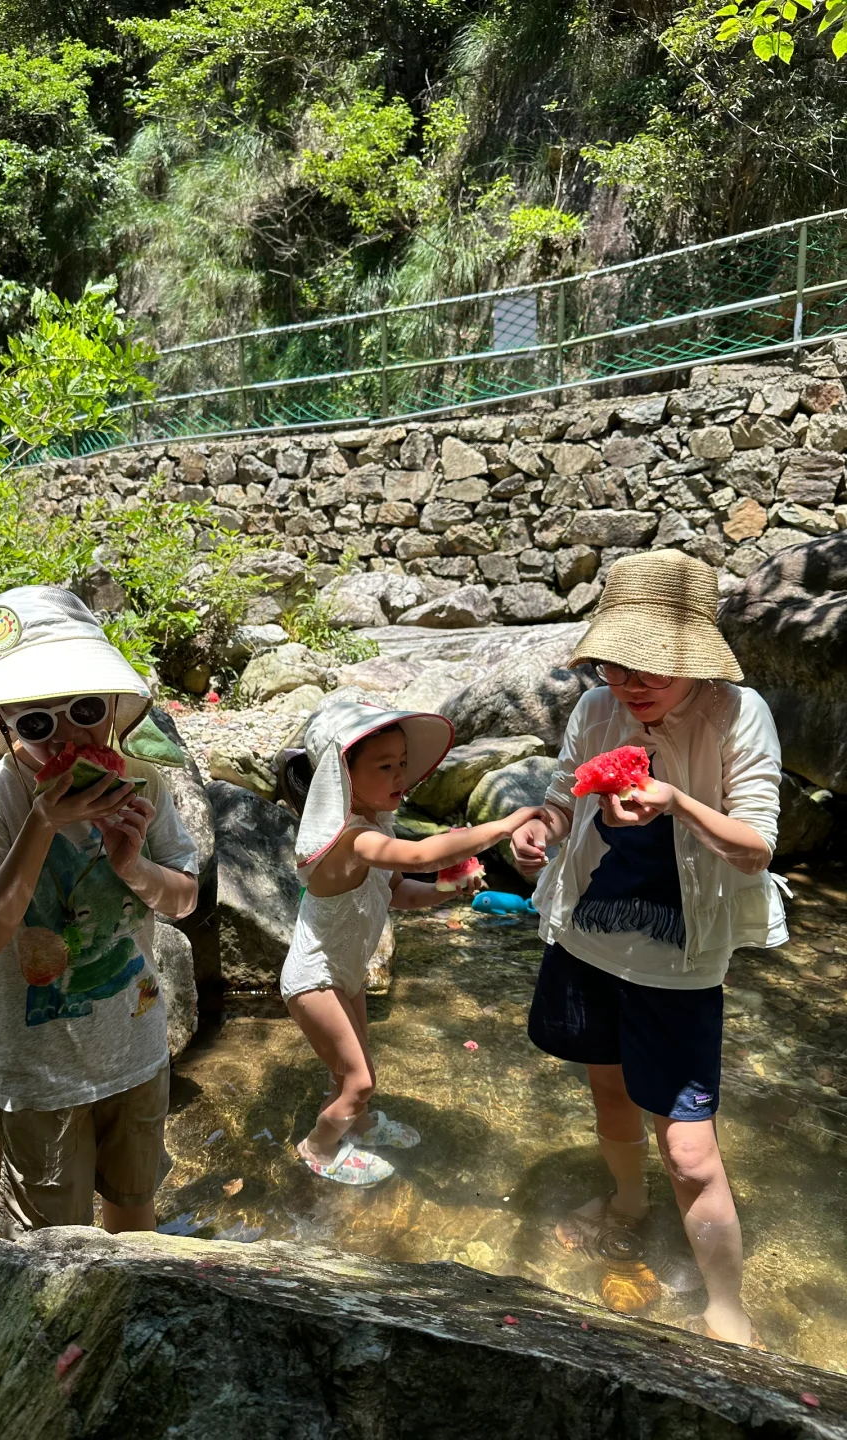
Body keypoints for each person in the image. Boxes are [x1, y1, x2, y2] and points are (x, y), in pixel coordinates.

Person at [510, 550, 787, 1348]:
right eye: (613, 663)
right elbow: (565, 797)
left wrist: (678, 803)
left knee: (691, 1152)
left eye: (649, 666)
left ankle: (728, 1305)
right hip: (588, 937)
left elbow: (757, 848)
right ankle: (627, 1203)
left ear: (694, 657)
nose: (627, 683)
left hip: (682, 960)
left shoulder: (739, 714)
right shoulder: (597, 710)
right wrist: (539, 829)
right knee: (608, 1091)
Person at [0, 586, 199, 1239]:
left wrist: (134, 867)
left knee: (134, 1222)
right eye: (36, 723)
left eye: (84, 709)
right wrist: (42, 823)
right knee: (48, 1248)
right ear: (5, 728)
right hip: (40, 1076)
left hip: (138, 1051)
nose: (66, 735)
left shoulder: (145, 781)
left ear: (112, 706)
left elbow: (184, 899)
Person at [278, 700, 544, 1186]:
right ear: (344, 778)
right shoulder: (351, 840)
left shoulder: (376, 827)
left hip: (344, 972)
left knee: (352, 1070)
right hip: (314, 979)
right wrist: (502, 826)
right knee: (360, 1081)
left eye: (402, 763)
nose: (401, 775)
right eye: (384, 766)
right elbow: (421, 855)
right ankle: (317, 1148)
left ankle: (357, 1127)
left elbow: (398, 890)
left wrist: (446, 889)